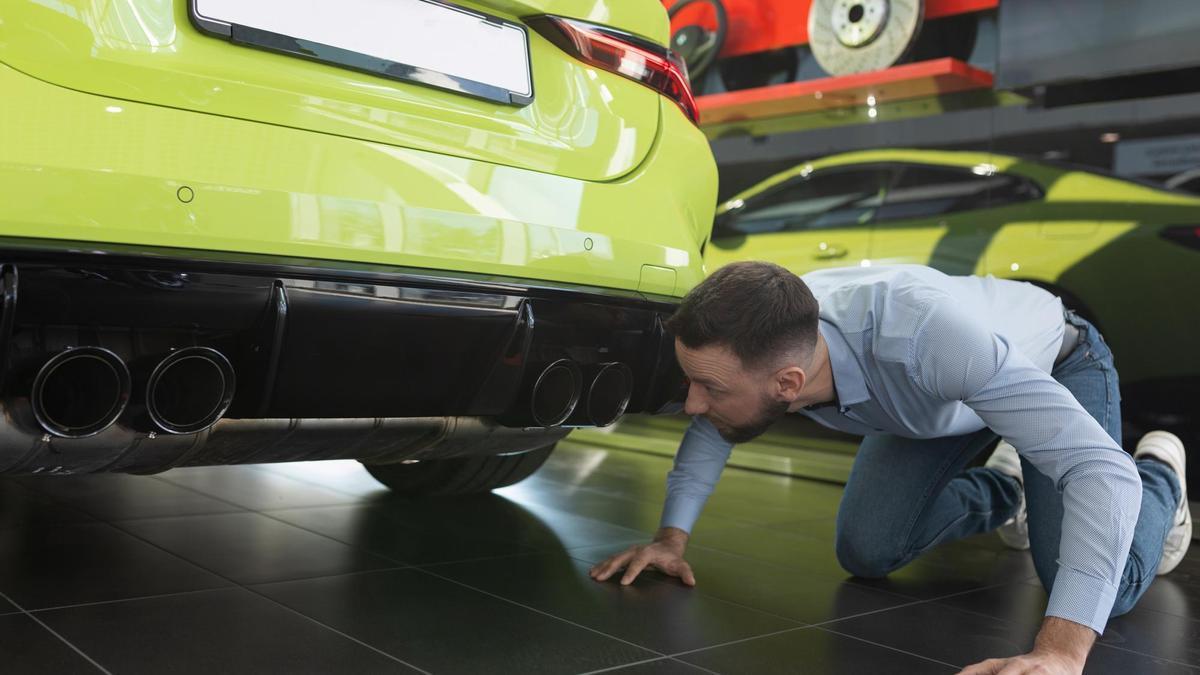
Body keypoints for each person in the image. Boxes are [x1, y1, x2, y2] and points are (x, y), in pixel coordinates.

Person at [589, 261, 1191, 675]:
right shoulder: (771, 329)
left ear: (789, 384)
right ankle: (1008, 482)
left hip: (1053, 361)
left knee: (1090, 588)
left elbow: (1096, 473)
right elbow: (713, 426)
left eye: (706, 387)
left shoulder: (921, 338)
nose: (691, 402)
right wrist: (671, 539)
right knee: (867, 550)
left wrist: (1059, 651)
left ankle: (1161, 474)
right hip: (934, 403)